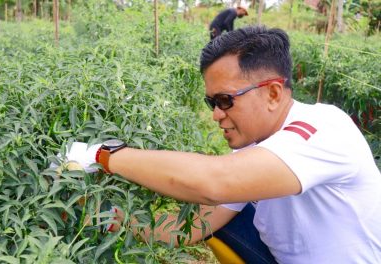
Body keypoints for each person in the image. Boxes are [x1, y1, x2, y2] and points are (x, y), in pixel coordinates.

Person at [56, 26, 381, 263]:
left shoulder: (324, 129)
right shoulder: (253, 149)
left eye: (225, 100)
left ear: (272, 93)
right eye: (210, 101)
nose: (215, 115)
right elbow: (192, 225)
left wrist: (102, 154)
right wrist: (109, 217)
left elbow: (214, 182)